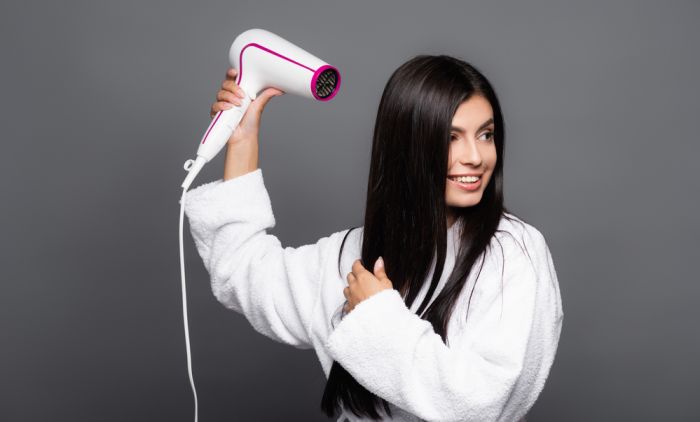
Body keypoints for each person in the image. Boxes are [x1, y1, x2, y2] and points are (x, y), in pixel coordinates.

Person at [184, 55, 564, 422]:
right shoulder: (350, 256)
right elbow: (243, 273)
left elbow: (483, 406)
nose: (476, 157)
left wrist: (377, 315)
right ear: (408, 146)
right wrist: (242, 139)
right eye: (451, 137)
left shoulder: (514, 252)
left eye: (486, 135)